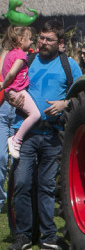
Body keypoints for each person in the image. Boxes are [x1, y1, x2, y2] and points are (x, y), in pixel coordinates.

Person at [8, 20, 82, 250]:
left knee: (47, 186)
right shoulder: (26, 61)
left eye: (49, 39)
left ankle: (49, 236)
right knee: (21, 184)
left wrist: (64, 104)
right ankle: (24, 236)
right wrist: (13, 97)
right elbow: (9, 84)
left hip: (52, 135)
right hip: (25, 134)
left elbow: (83, 96)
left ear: (60, 43)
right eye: (41, 38)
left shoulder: (69, 66)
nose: (42, 43)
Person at [1, 26, 41, 160]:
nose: (31, 42)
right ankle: (16, 139)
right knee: (35, 114)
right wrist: (4, 84)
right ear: (20, 40)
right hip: (17, 91)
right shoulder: (21, 55)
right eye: (29, 39)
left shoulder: (10, 54)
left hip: (12, 91)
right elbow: (12, 73)